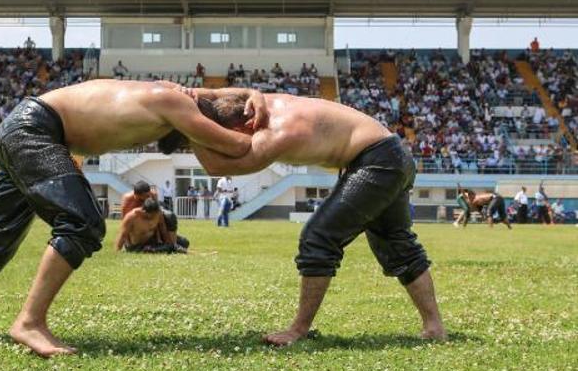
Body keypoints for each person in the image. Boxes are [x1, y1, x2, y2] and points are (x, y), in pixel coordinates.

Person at [0, 79, 268, 357]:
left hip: (22, 126)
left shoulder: (174, 92)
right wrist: (273, 138)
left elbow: (215, 96)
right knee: (82, 222)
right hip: (37, 130)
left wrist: (253, 92)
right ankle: (29, 322)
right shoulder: (179, 104)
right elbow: (235, 147)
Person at [186, 90, 446, 345]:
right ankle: (434, 326)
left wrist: (189, 127)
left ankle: (299, 329)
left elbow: (217, 167)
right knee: (397, 243)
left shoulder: (278, 132)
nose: (225, 144)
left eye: (225, 137)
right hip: (392, 153)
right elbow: (233, 91)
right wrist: (191, 95)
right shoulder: (266, 100)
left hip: (377, 160)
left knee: (318, 238)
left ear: (244, 127)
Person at [115, 198, 189, 254]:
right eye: (152, 215)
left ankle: (171, 248)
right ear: (145, 212)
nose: (155, 217)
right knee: (170, 247)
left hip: (151, 242)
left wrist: (169, 244)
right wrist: (117, 251)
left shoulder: (158, 214)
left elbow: (163, 231)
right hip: (137, 246)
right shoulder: (132, 217)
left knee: (184, 243)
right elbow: (122, 235)